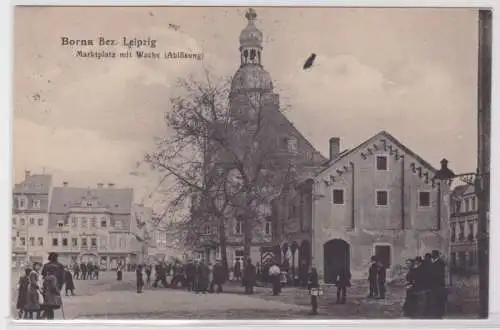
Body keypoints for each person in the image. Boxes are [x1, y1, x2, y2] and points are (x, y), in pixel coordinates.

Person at [40, 252, 64, 320]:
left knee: (48, 304)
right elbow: (62, 279)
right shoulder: (60, 266)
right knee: (53, 304)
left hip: (47, 288)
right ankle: (49, 318)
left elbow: (43, 276)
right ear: (56, 258)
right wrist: (59, 289)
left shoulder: (46, 265)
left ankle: (47, 316)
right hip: (56, 287)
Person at [427, 250, 446, 319]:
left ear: (436, 255)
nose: (432, 255)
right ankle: (434, 313)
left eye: (433, 254)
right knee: (433, 299)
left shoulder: (440, 263)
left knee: (439, 299)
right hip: (433, 284)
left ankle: (439, 314)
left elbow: (439, 274)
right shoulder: (431, 262)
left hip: (439, 284)